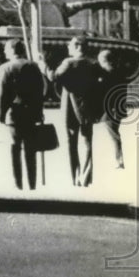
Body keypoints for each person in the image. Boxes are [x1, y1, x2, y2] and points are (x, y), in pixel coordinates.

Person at [41, 36, 101, 188]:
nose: (68, 48)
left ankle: (74, 177)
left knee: (71, 142)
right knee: (88, 141)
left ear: (76, 47)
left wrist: (43, 65)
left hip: (69, 107)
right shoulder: (93, 64)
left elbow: (54, 77)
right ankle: (86, 177)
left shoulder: (68, 63)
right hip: (87, 107)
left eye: (70, 45)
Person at [0, 39, 46, 191]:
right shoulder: (33, 66)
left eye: (6, 49)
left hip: (14, 114)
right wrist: (39, 112)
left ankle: (18, 184)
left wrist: (0, 114)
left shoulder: (5, 68)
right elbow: (40, 91)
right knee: (31, 149)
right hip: (30, 113)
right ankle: (32, 184)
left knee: (15, 147)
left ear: (12, 50)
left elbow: (1, 94)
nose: (4, 52)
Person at [96, 49, 129, 169]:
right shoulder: (120, 72)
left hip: (110, 110)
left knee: (114, 135)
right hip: (118, 109)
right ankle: (118, 159)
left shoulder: (106, 75)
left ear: (105, 61)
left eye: (100, 61)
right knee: (114, 133)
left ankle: (119, 160)